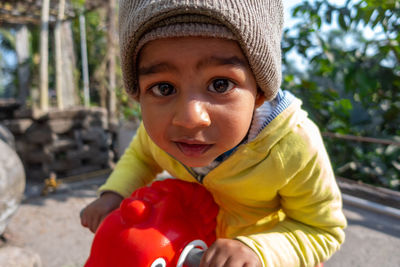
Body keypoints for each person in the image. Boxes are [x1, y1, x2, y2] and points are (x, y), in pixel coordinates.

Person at [80, 0, 347, 266]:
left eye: (220, 84)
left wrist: (259, 251)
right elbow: (141, 157)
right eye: (163, 88)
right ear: (138, 93)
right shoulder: (155, 137)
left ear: (260, 91)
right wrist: (114, 194)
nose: (189, 119)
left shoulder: (292, 146)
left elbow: (321, 229)